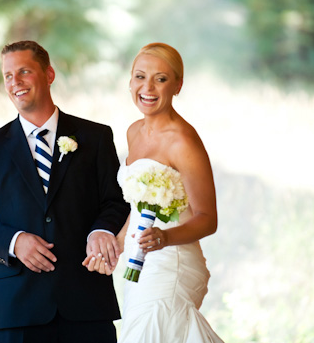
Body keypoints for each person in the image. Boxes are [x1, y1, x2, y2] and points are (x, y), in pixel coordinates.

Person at [0, 40, 130, 343]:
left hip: (86, 303)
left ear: (49, 74)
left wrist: (101, 230)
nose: (15, 82)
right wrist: (15, 242)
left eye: (24, 71)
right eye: (8, 75)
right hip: (18, 308)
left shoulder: (96, 137)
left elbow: (115, 201)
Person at [83, 42, 224, 342]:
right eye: (139, 76)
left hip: (171, 264)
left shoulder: (183, 141)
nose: (147, 87)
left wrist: (164, 238)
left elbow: (207, 219)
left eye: (160, 79)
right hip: (138, 264)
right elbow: (138, 207)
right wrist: (117, 243)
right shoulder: (134, 131)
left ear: (177, 85)